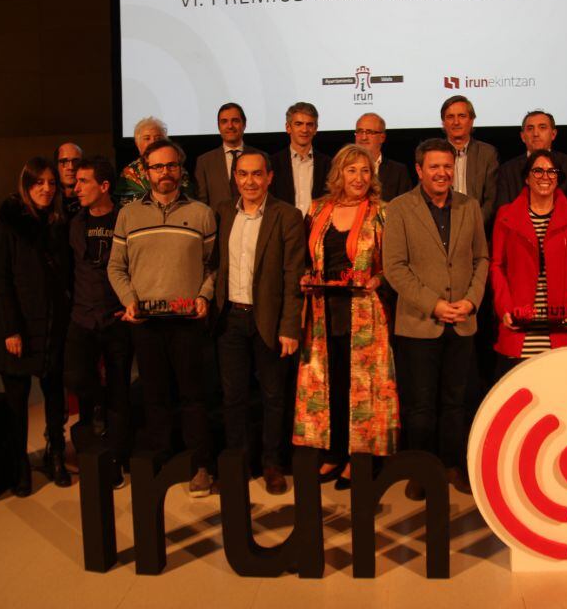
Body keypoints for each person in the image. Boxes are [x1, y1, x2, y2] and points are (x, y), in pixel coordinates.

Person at [107, 139, 217, 496]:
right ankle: (161, 456)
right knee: (155, 395)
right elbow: (116, 267)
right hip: (147, 323)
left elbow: (212, 266)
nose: (165, 172)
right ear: (146, 171)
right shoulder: (128, 215)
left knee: (193, 396)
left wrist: (204, 296)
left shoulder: (201, 213)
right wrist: (129, 301)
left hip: (187, 322)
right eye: (157, 166)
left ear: (180, 169)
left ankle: (202, 465)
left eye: (171, 166)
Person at [383, 138, 488, 498]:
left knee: (455, 402)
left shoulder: (469, 206)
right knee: (421, 406)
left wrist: (471, 302)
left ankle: (451, 465)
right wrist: (434, 304)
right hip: (419, 324)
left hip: (462, 321)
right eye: (434, 167)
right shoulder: (398, 208)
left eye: (447, 166)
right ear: (419, 170)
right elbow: (394, 268)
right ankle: (421, 470)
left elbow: (481, 260)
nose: (442, 173)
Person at [294, 145, 398, 489]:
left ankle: (361, 458)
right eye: (352, 170)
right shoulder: (318, 209)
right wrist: (307, 277)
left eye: (365, 171)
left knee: (363, 389)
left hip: (365, 312)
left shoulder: (382, 212)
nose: (359, 178)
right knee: (331, 384)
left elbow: (393, 264)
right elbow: (308, 257)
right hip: (324, 311)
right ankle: (335, 452)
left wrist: (377, 279)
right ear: (339, 173)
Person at [214, 150, 306, 495]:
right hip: (230, 319)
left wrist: (289, 327)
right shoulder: (223, 212)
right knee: (233, 397)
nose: (249, 181)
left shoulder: (287, 215)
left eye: (256, 174)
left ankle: (272, 464)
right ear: (235, 177)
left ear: (269, 177)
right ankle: (237, 463)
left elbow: (293, 274)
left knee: (273, 397)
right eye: (242, 174)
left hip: (268, 320)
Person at [0, 157, 72, 497]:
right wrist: (11, 329)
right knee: (17, 400)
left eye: (51, 183)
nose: (47, 189)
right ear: (26, 185)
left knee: (54, 394)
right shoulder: (8, 222)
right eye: (39, 183)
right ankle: (19, 465)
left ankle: (55, 454)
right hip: (19, 326)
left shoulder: (57, 222)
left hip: (53, 323)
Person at [63, 156, 134, 489]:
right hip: (82, 317)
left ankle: (116, 460)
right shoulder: (74, 222)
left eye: (83, 182)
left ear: (104, 187)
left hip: (116, 317)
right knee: (78, 380)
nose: (76, 188)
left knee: (119, 391)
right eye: (76, 182)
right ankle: (90, 442)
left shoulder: (125, 219)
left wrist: (130, 303)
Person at [490, 150, 567, 376]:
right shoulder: (506, 215)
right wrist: (505, 309)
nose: (545, 176)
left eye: (551, 171)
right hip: (520, 325)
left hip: (562, 324)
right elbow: (497, 266)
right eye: (538, 170)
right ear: (526, 177)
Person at [496, 110, 567, 210]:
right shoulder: (507, 170)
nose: (535, 133)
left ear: (553, 134)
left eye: (542, 127)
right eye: (530, 128)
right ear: (522, 136)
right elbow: (503, 212)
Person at [440, 95, 498, 227]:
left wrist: (473, 225)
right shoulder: (433, 154)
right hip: (442, 229)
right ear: (443, 123)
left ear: (471, 120)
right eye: (450, 117)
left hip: (477, 227)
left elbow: (491, 200)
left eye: (462, 116)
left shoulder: (487, 154)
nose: (456, 122)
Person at [194, 102, 258, 211]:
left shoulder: (260, 157)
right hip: (218, 225)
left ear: (244, 124)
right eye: (224, 122)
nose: (230, 126)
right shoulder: (204, 161)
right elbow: (201, 203)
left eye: (235, 121)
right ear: (218, 126)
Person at [270, 101, 332, 215]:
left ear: (315, 129)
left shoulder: (328, 164)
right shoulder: (272, 163)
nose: (304, 130)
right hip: (283, 229)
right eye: (299, 124)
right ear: (288, 127)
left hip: (317, 229)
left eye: (309, 124)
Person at [114, 116, 191, 205]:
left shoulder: (178, 170)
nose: (153, 142)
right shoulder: (129, 174)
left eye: (158, 138)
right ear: (138, 144)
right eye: (147, 138)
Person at [354, 112, 412, 202]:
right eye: (360, 132)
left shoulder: (398, 171)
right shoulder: (342, 168)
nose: (363, 137)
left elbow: (405, 207)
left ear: (382, 137)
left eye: (369, 132)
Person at [55, 142, 83, 218]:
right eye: (64, 161)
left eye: (76, 161)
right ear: (56, 166)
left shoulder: (92, 199)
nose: (71, 167)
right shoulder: (50, 200)